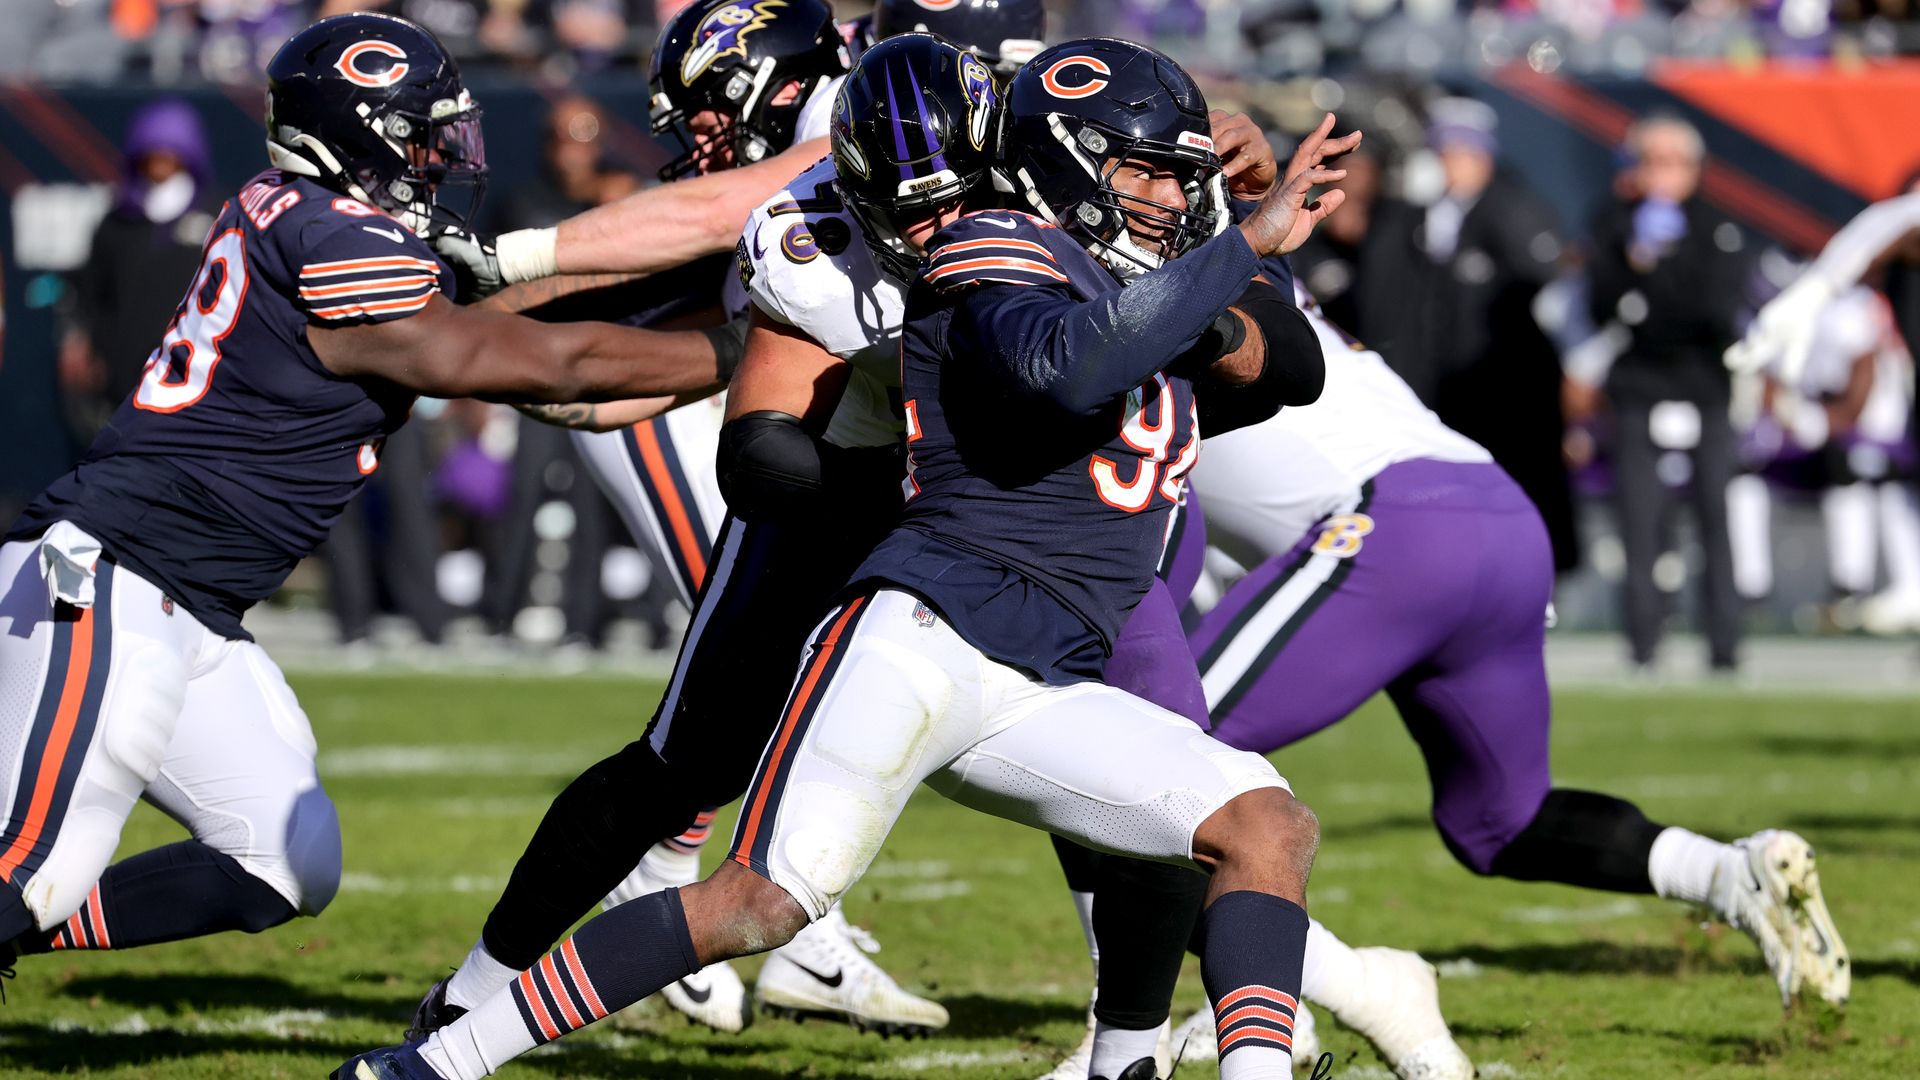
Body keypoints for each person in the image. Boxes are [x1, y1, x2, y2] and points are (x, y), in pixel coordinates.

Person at [337, 35, 1344, 1080]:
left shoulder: (1102, 226)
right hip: (917, 575)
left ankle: (1135, 1053)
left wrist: (1208, 253)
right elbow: (789, 444)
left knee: (1254, 819)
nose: (927, 229)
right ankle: (446, 1045)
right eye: (1142, 173)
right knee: (733, 857)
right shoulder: (958, 245)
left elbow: (1281, 364)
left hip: (1052, 605)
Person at [0, 13, 733, 972]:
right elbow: (545, 363)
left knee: (283, 860)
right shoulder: (331, 236)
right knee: (32, 874)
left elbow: (495, 326)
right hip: (112, 581)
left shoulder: (294, 211)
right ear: (356, 138)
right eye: (422, 135)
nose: (440, 158)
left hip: (195, 603)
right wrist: (738, 350)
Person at [423, 0, 947, 1035]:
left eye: (706, 111)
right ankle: (475, 1007)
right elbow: (676, 350)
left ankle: (1139, 1030)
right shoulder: (790, 229)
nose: (694, 141)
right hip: (853, 476)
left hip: (964, 492)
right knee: (695, 758)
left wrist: (515, 262)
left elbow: (714, 213)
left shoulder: (851, 116)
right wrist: (441, 340)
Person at [1150, 286, 1849, 1039]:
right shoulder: (1244, 281)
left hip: (1396, 525)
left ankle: (1268, 1005)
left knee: (1155, 766)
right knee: (1501, 820)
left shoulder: (1143, 296)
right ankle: (1727, 875)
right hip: (1497, 509)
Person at [1353, 97, 1578, 573]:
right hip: (1450, 387)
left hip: (1505, 386)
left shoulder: (1512, 209)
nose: (1446, 165)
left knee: (1516, 491)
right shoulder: (1425, 218)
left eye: (1455, 153)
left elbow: (1547, 287)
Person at [1588, 114, 1755, 672]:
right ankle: (1642, 642)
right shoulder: (1616, 225)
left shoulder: (1717, 227)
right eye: (1648, 161)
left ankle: (1725, 646)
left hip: (1702, 387)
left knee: (1714, 518)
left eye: (1670, 162)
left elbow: (1713, 313)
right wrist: (1637, 262)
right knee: (1638, 519)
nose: (1658, 174)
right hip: (1639, 388)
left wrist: (1656, 280)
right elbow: (1598, 306)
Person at [60, 99, 218, 448]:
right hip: (121, 381)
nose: (160, 159)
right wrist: (80, 342)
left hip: (192, 381)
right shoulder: (117, 221)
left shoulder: (215, 221)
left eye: (170, 150)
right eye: (152, 151)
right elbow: (90, 293)